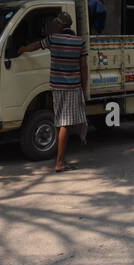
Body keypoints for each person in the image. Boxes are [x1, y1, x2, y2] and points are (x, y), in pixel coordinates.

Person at [21, 12, 88, 171]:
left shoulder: (53, 39)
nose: (55, 25)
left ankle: (60, 160)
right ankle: (59, 162)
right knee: (65, 124)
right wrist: (84, 88)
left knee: (60, 122)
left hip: (57, 87)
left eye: (57, 23)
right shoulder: (80, 42)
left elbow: (36, 45)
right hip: (72, 87)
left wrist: (22, 49)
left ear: (60, 25)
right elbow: (83, 67)